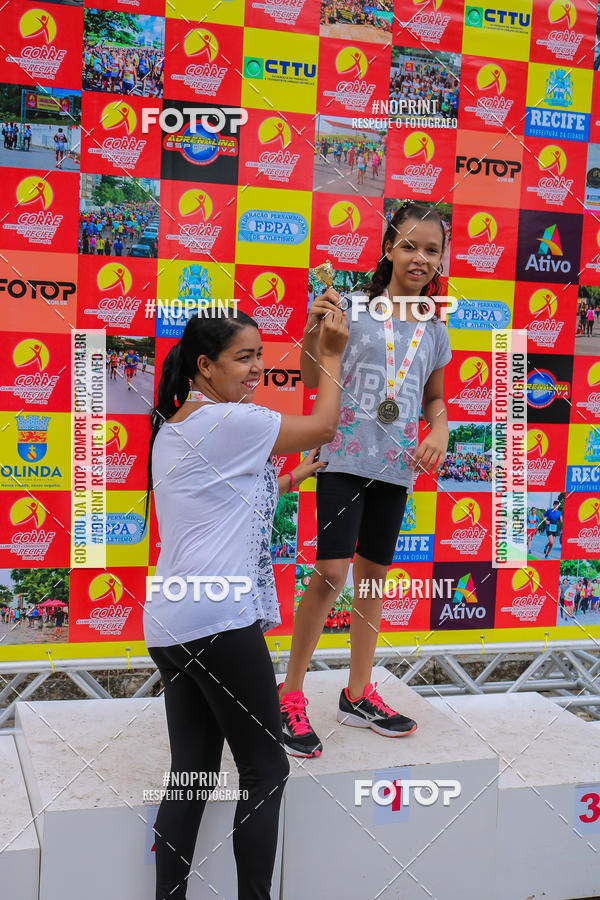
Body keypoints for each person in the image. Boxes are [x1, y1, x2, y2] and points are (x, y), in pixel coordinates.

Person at [143, 306, 348, 899]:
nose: (259, 368)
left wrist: (289, 479)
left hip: (172, 622)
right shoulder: (234, 424)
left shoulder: (177, 425)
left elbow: (224, 495)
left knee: (191, 776)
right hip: (220, 619)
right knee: (267, 769)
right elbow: (327, 424)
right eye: (245, 357)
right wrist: (329, 355)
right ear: (204, 365)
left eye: (261, 354)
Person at [278, 201, 452, 757]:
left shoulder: (436, 329)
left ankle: (357, 694)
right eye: (409, 245)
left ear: (442, 258)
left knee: (373, 580)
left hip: (396, 467)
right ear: (388, 249)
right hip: (344, 458)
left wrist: (441, 432)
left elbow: (436, 400)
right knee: (330, 573)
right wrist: (312, 328)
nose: (419, 258)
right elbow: (310, 375)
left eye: (431, 249)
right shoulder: (351, 305)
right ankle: (290, 694)